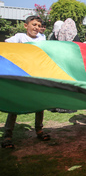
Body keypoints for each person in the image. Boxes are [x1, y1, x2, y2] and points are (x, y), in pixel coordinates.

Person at [2, 15, 50, 149]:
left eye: (39, 26)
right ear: (26, 26)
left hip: (37, 76)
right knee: (15, 105)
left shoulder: (42, 39)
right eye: (34, 24)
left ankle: (39, 130)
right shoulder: (19, 37)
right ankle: (7, 135)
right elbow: (5, 46)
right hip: (20, 76)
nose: (36, 28)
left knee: (40, 104)